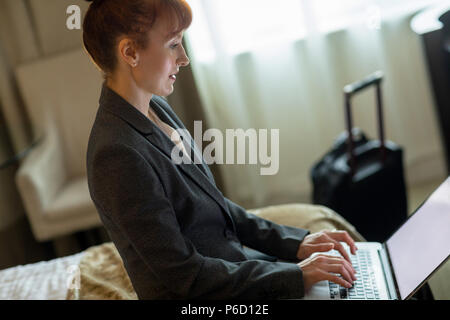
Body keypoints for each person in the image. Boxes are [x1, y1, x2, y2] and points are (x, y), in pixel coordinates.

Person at [84, 0, 358, 299]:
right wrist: (294, 276)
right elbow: (184, 275)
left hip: (233, 274)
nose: (184, 58)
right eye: (173, 44)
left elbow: (210, 205)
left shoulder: (157, 109)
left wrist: (295, 244)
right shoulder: (117, 154)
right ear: (130, 52)